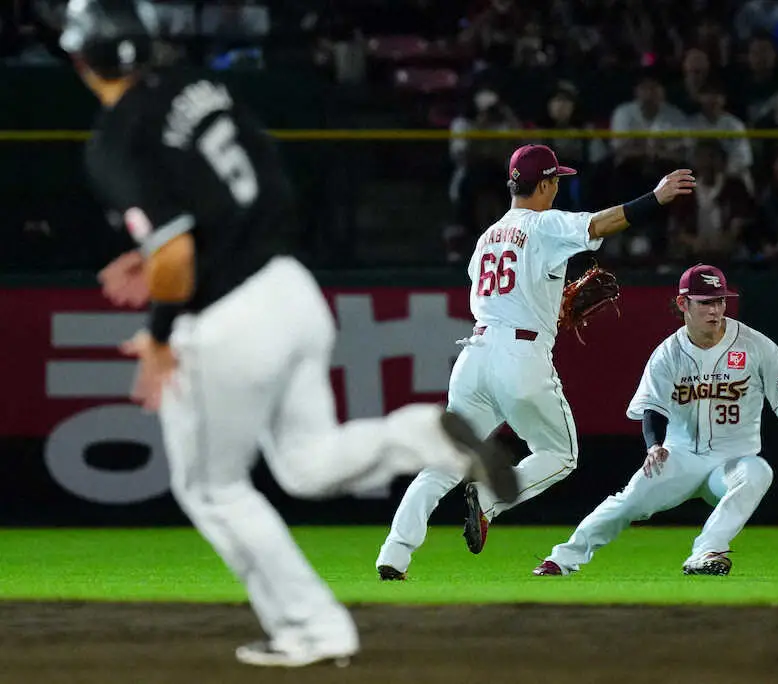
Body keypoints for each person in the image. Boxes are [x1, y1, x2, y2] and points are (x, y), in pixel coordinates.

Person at [61, 0, 518, 668]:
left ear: (79, 60)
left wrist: (158, 340)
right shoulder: (198, 84)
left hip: (226, 321)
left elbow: (177, 260)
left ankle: (311, 629)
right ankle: (421, 435)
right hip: (291, 290)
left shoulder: (114, 138)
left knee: (214, 489)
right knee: (305, 464)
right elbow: (251, 188)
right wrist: (178, 252)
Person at [375, 145, 696, 579]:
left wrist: (544, 302)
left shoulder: (487, 235)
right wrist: (654, 198)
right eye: (556, 181)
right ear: (544, 184)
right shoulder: (545, 224)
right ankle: (489, 499)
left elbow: (497, 291)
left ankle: (394, 553)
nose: (558, 188)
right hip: (519, 356)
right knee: (560, 453)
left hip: (475, 355)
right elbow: (601, 223)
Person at [532, 265, 778, 577]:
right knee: (628, 503)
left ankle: (706, 552)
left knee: (759, 472)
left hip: (731, 462)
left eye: (720, 301)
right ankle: (562, 558)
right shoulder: (668, 354)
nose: (716, 310)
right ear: (683, 304)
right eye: (706, 302)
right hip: (678, 457)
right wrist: (654, 446)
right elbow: (653, 407)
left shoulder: (756, 346)